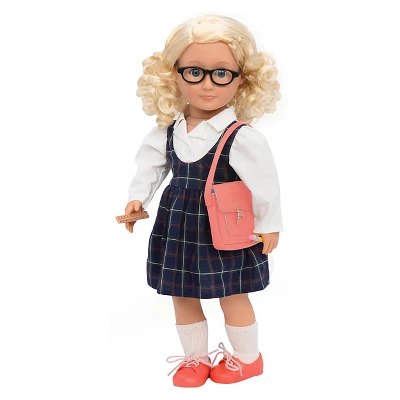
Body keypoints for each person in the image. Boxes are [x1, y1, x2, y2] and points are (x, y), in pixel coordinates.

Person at [124, 14, 283, 387]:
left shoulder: (241, 136)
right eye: (194, 72)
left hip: (225, 227)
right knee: (181, 294)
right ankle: (195, 359)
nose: (207, 84)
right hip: (178, 223)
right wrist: (137, 198)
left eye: (221, 73)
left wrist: (270, 224)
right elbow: (151, 166)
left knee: (233, 293)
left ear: (242, 79)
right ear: (174, 75)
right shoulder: (167, 131)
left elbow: (265, 184)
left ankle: (248, 358)